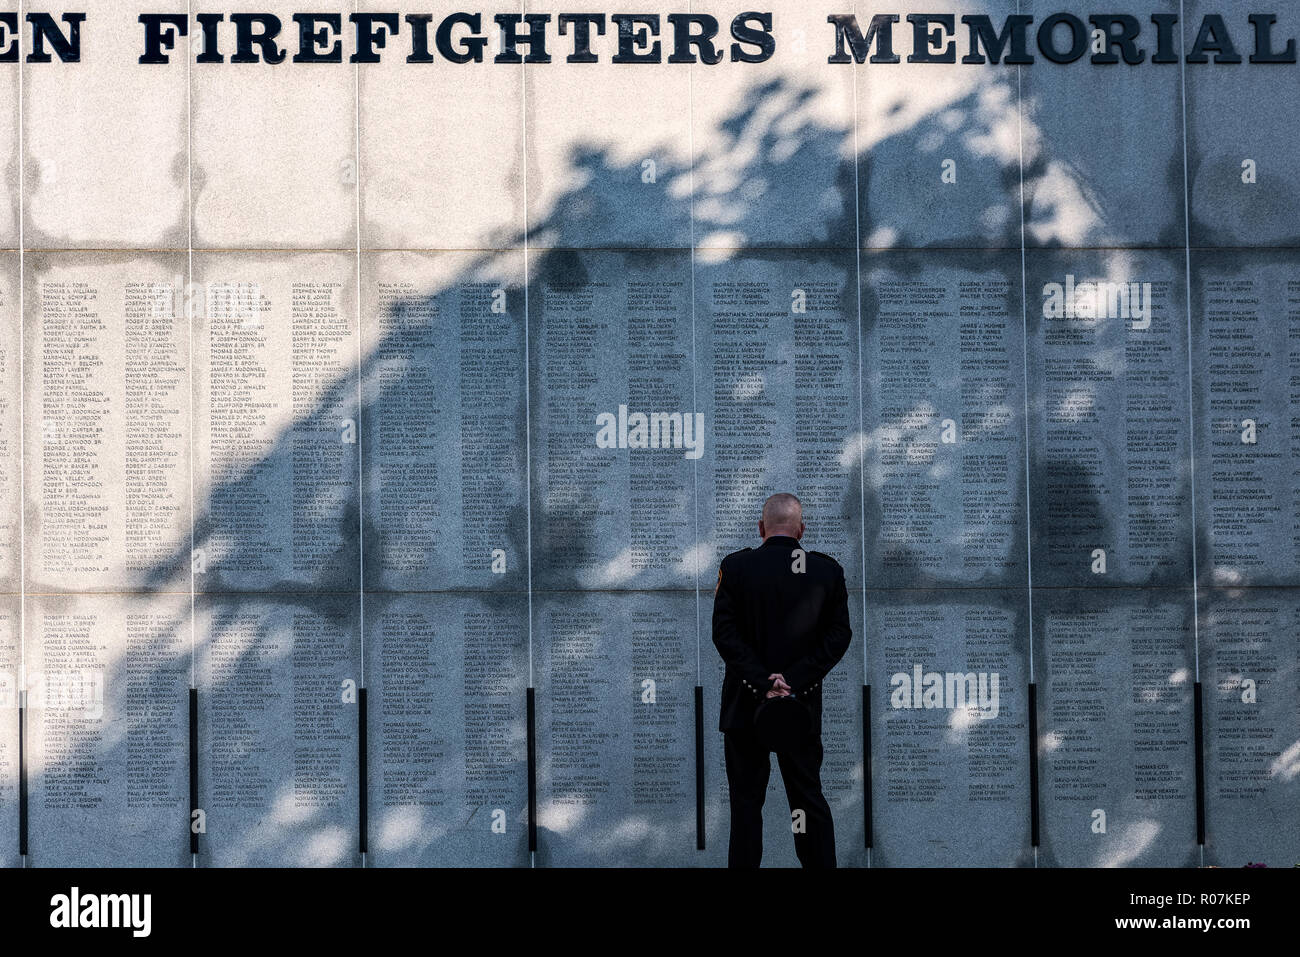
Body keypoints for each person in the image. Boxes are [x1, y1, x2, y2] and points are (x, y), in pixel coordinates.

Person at [712, 492, 852, 868]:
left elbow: (725, 634)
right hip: (799, 709)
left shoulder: (738, 568)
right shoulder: (825, 571)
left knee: (746, 807)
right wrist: (793, 680)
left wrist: (762, 681)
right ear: (801, 530)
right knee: (805, 803)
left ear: (761, 528)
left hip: (745, 708)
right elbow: (839, 636)